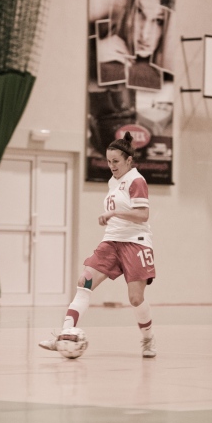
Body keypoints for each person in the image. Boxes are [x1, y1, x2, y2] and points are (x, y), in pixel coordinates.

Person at [39, 131, 158, 358]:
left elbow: (143, 214)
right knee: (85, 281)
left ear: (128, 161)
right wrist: (113, 217)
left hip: (136, 243)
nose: (111, 166)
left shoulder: (137, 180)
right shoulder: (113, 181)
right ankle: (64, 335)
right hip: (111, 241)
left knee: (135, 298)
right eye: (108, 161)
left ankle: (148, 338)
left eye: (115, 161)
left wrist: (114, 212)